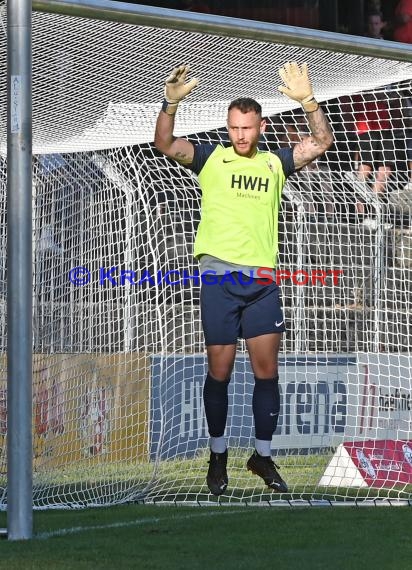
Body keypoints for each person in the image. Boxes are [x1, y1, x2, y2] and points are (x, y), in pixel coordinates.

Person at [154, 62, 333, 495]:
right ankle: (218, 457)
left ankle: (262, 456)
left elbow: (322, 141)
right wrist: (171, 103)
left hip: (262, 283)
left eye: (247, 128)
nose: (240, 135)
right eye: (234, 127)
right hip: (219, 281)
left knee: (266, 372)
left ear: (260, 126)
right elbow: (163, 142)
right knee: (219, 372)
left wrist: (308, 101)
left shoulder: (276, 163)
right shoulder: (211, 158)